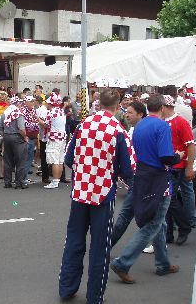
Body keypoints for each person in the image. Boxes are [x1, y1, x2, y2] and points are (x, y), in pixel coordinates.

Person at [59, 89, 136, 303]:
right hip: (102, 194)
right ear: (118, 104)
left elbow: (68, 157)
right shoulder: (117, 129)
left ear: (99, 103)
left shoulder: (83, 125)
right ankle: (94, 297)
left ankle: (66, 287)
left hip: (80, 191)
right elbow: (129, 169)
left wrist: (84, 171)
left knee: (74, 240)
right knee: (99, 246)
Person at [111, 94, 182, 285]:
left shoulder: (139, 126)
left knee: (158, 223)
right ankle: (123, 262)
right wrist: (178, 156)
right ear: (162, 108)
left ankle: (163, 263)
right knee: (154, 223)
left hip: (142, 175)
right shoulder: (161, 126)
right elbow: (166, 155)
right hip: (157, 178)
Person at [111, 101, 146, 247]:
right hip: (136, 177)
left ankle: (108, 248)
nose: (127, 115)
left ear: (140, 114)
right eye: (126, 111)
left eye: (130, 112)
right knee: (155, 219)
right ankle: (163, 260)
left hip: (142, 177)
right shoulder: (130, 130)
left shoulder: (144, 130)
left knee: (127, 215)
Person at [162, 95, 195, 239]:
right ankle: (170, 232)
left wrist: (189, 167)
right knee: (169, 200)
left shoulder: (180, 122)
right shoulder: (162, 121)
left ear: (164, 107)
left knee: (170, 200)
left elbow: (190, 145)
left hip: (177, 167)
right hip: (168, 166)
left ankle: (184, 226)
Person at [0, 96, 28, 189]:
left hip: (7, 137)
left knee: (8, 160)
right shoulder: (18, 113)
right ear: (17, 104)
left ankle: (7, 182)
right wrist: (25, 137)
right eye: (20, 103)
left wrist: (6, 135)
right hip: (17, 137)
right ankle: (20, 182)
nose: (21, 105)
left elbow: (0, 128)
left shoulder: (5, 113)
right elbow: (21, 128)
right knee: (20, 160)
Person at [41, 92, 67, 189]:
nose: (46, 104)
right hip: (62, 137)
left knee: (55, 160)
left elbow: (45, 125)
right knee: (60, 160)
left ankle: (55, 181)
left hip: (54, 138)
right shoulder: (61, 111)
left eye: (47, 103)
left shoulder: (51, 112)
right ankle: (57, 180)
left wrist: (38, 119)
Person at [21, 95, 39, 184]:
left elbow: (35, 123)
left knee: (29, 158)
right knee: (26, 159)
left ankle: (24, 177)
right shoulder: (23, 112)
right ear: (26, 102)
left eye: (33, 101)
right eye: (31, 101)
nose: (33, 103)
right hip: (26, 138)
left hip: (32, 138)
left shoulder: (33, 111)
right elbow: (24, 126)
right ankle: (22, 179)